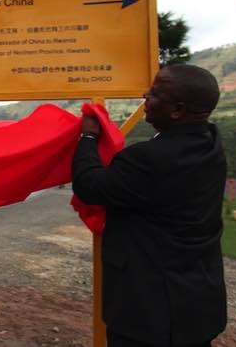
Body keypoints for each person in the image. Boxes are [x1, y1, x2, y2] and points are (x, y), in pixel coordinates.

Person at [71, 64, 227, 347]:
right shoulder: (211, 144)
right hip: (197, 308)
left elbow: (89, 186)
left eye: (155, 93)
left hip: (148, 315)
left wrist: (89, 137)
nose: (145, 95)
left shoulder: (148, 159)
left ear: (177, 110)